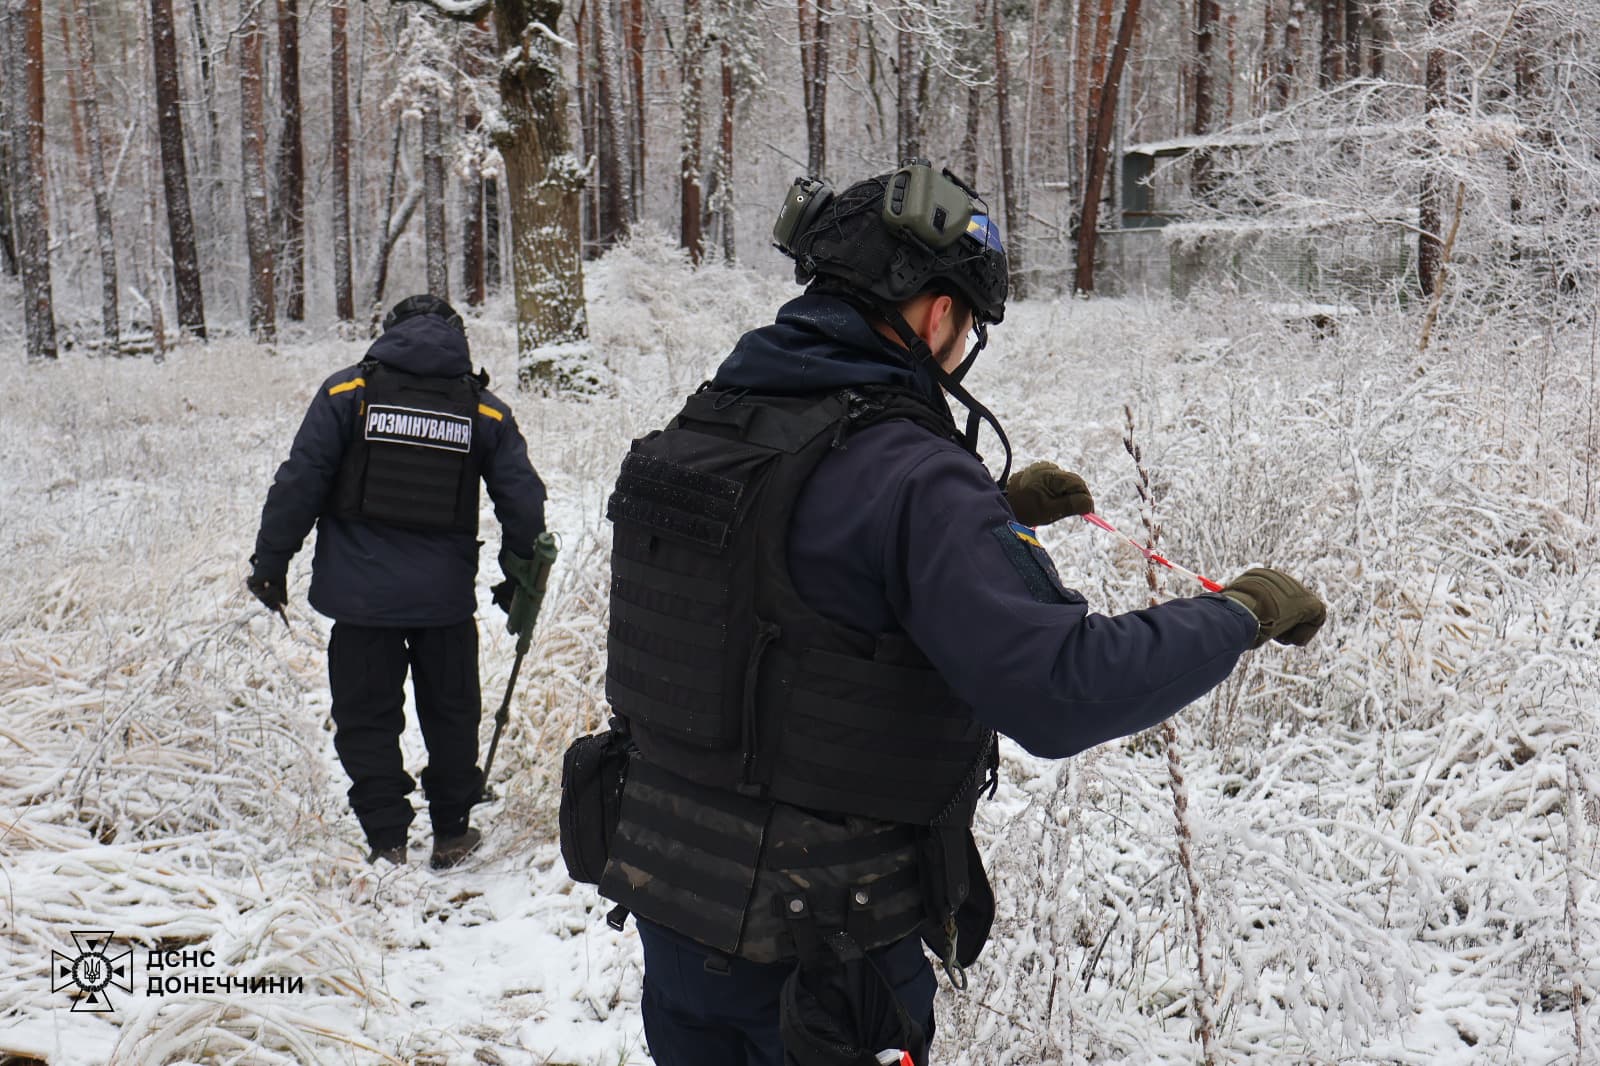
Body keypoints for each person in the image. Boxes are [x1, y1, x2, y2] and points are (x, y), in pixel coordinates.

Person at [582, 161, 1327, 1065]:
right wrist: (1240, 614)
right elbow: (1062, 688)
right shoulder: (910, 471)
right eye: (968, 322)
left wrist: (993, 516)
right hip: (828, 954)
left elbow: (791, 584)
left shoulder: (706, 425)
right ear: (936, 312)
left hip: (673, 909)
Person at [247, 294, 548, 870]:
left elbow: (299, 482)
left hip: (359, 602)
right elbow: (524, 503)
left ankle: (386, 839)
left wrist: (270, 563)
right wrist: (519, 581)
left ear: (388, 333)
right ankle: (453, 833)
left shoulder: (347, 395)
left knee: (365, 718)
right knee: (453, 712)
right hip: (444, 603)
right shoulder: (482, 410)